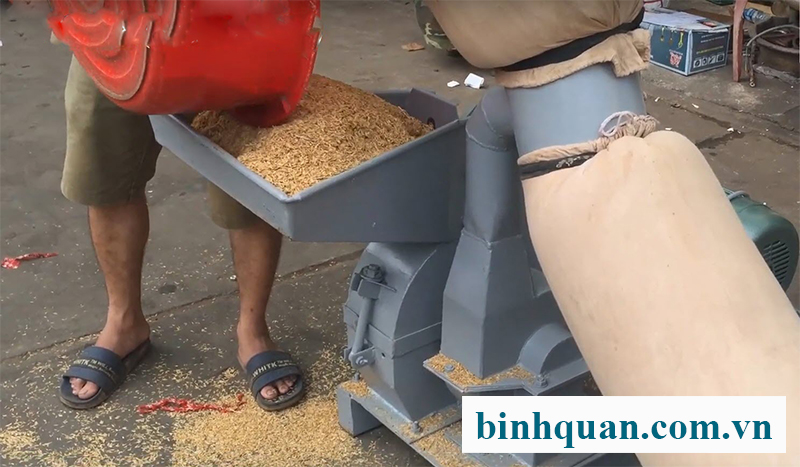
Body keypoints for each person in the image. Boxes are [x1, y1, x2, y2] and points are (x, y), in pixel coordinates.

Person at [57, 56, 304, 412]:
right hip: (115, 34)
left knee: (248, 159)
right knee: (104, 165)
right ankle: (124, 323)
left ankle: (253, 330)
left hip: (230, 35)